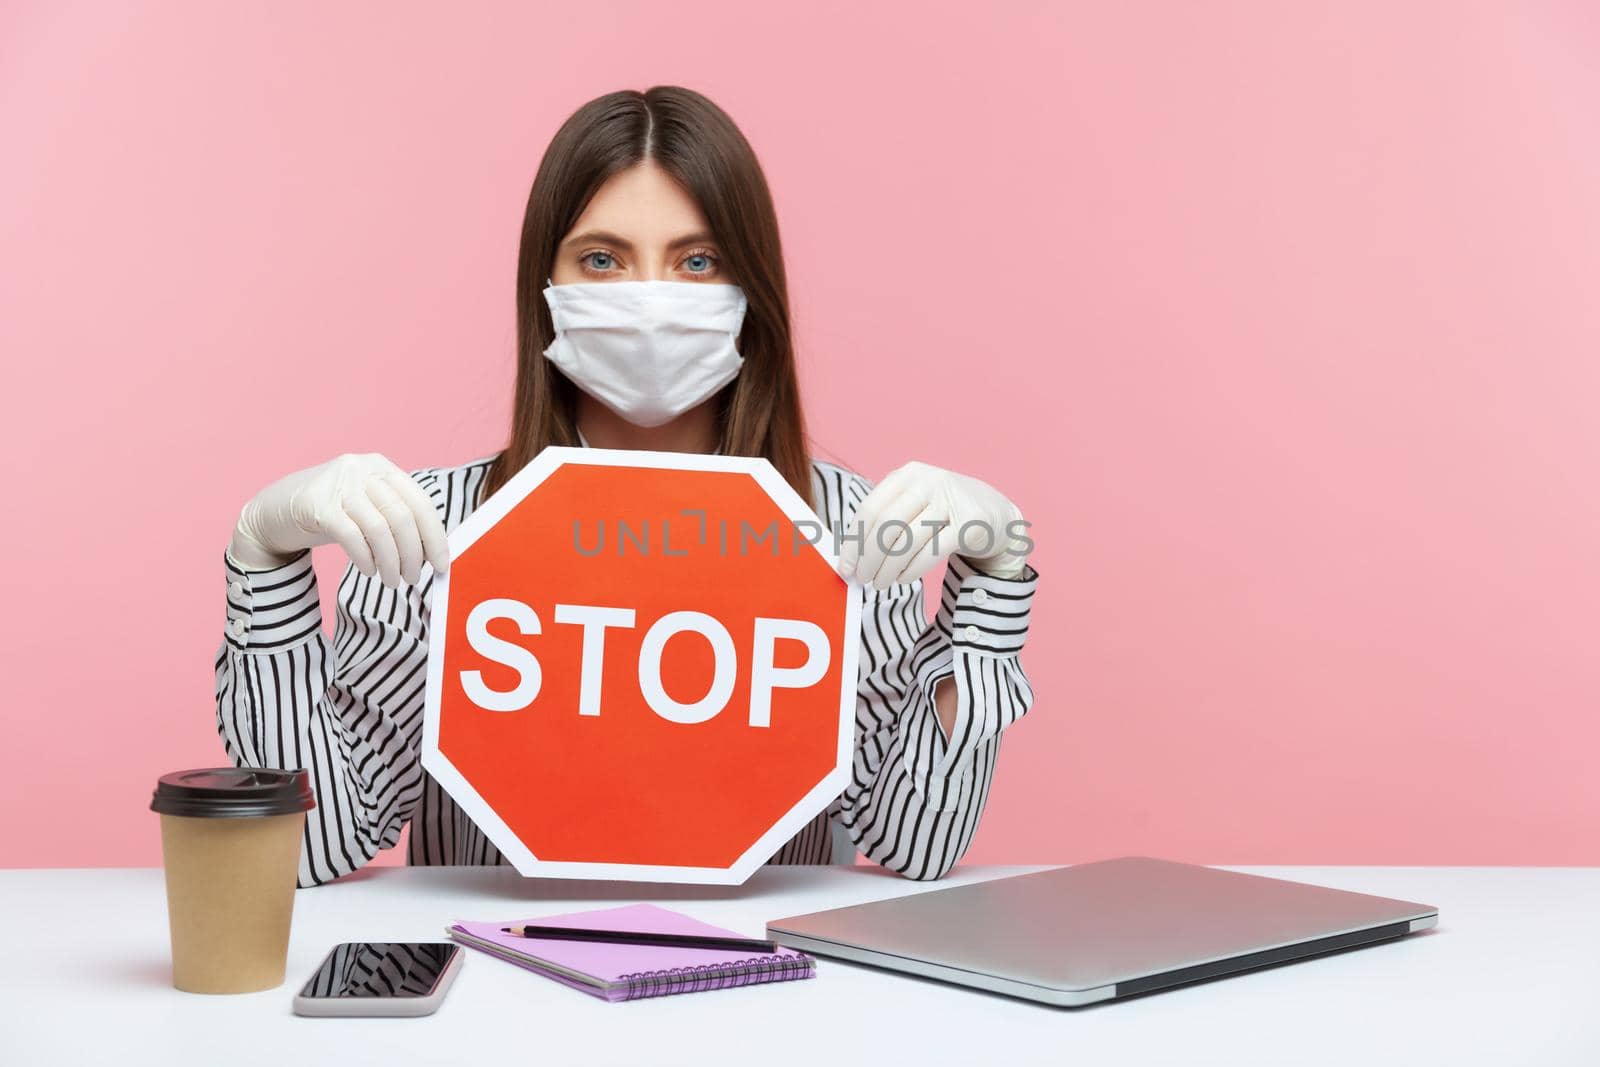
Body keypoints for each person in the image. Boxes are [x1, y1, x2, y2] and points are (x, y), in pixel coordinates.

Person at [215, 86, 1039, 888]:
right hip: (496, 1001)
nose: (651, 298)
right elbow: (311, 843)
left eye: (699, 259)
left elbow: (916, 840)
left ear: (751, 289)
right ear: (548, 284)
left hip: (764, 1005)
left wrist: (993, 573)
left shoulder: (852, 534)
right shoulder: (433, 530)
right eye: (603, 259)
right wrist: (267, 553)